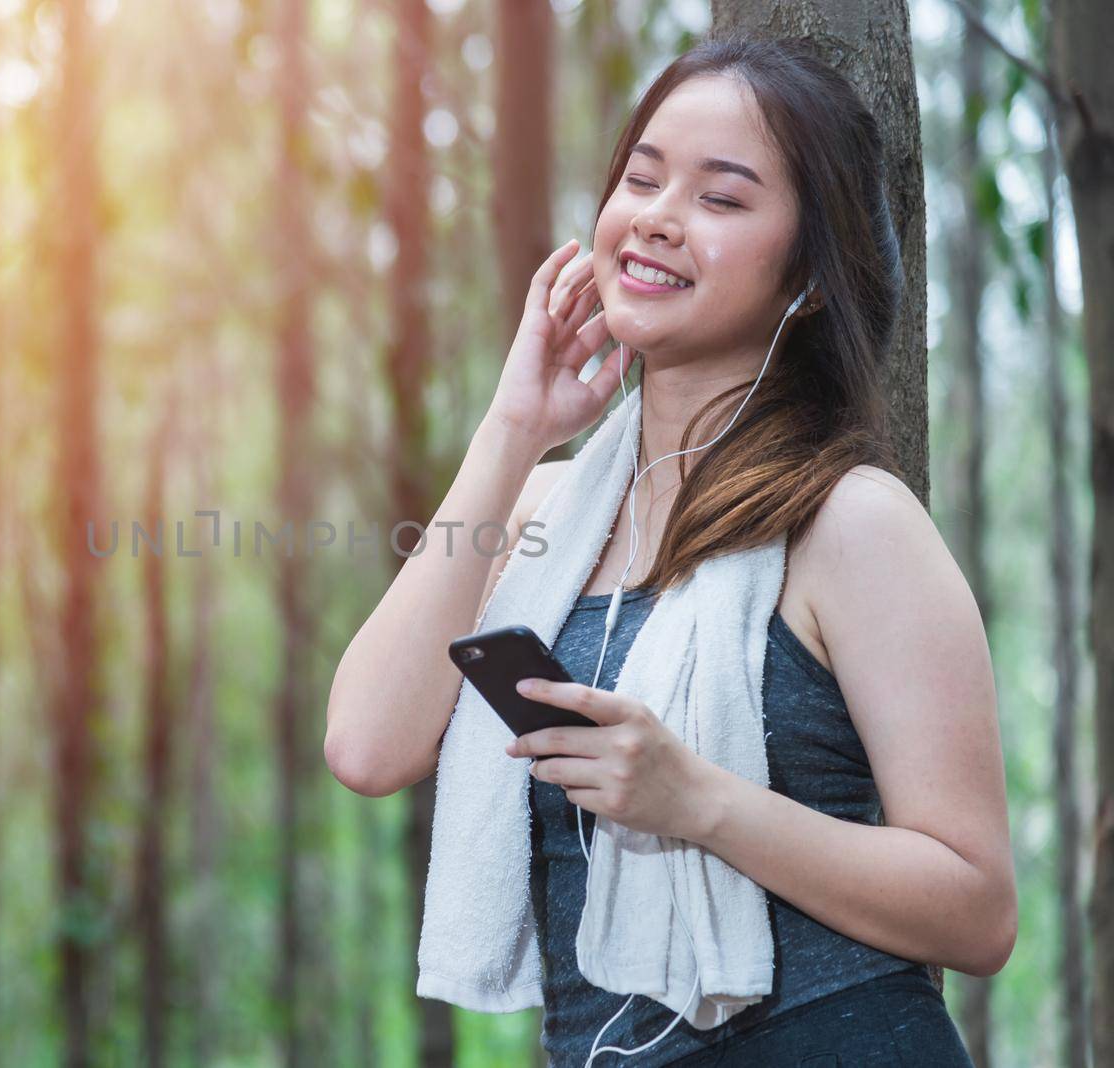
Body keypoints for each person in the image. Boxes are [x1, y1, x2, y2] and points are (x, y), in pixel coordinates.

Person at [324, 34, 1013, 1066]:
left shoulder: (848, 521)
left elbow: (976, 910)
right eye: (641, 178)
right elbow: (367, 747)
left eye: (721, 200)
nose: (655, 217)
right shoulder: (540, 512)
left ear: (809, 279)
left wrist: (699, 802)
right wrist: (514, 423)